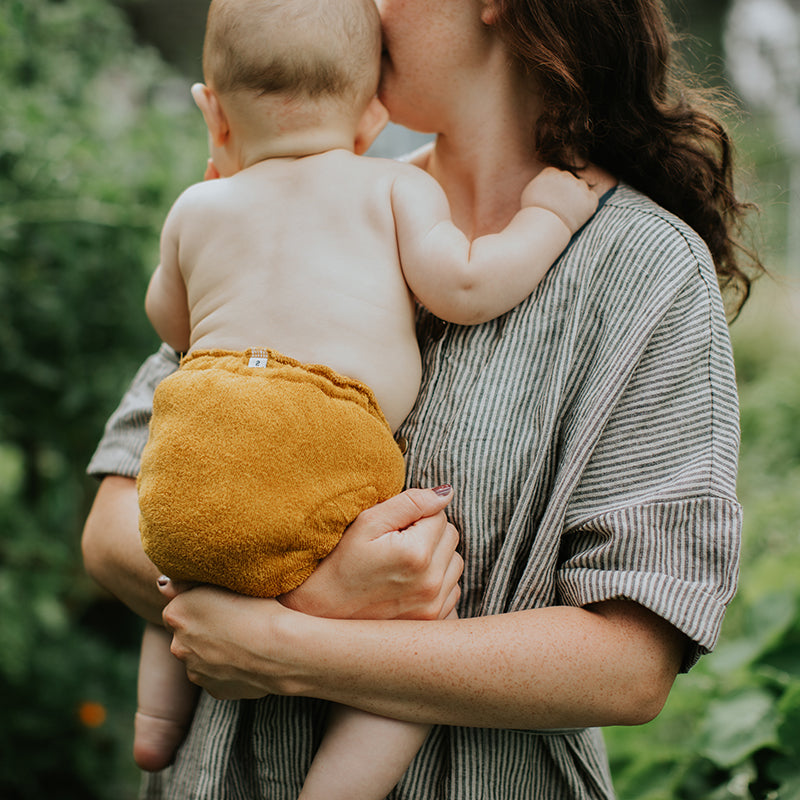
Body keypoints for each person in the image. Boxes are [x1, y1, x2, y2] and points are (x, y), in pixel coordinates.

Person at [82, 0, 763, 797]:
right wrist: (311, 592)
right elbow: (111, 525)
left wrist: (288, 642)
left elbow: (631, 667)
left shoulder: (646, 271)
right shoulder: (293, 201)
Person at [130, 0, 598, 795]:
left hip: (192, 449)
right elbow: (467, 287)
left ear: (215, 113)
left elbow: (171, 325)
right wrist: (548, 219)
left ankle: (152, 725)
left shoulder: (197, 207)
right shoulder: (391, 188)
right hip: (319, 446)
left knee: (188, 562)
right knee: (415, 636)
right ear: (374, 116)